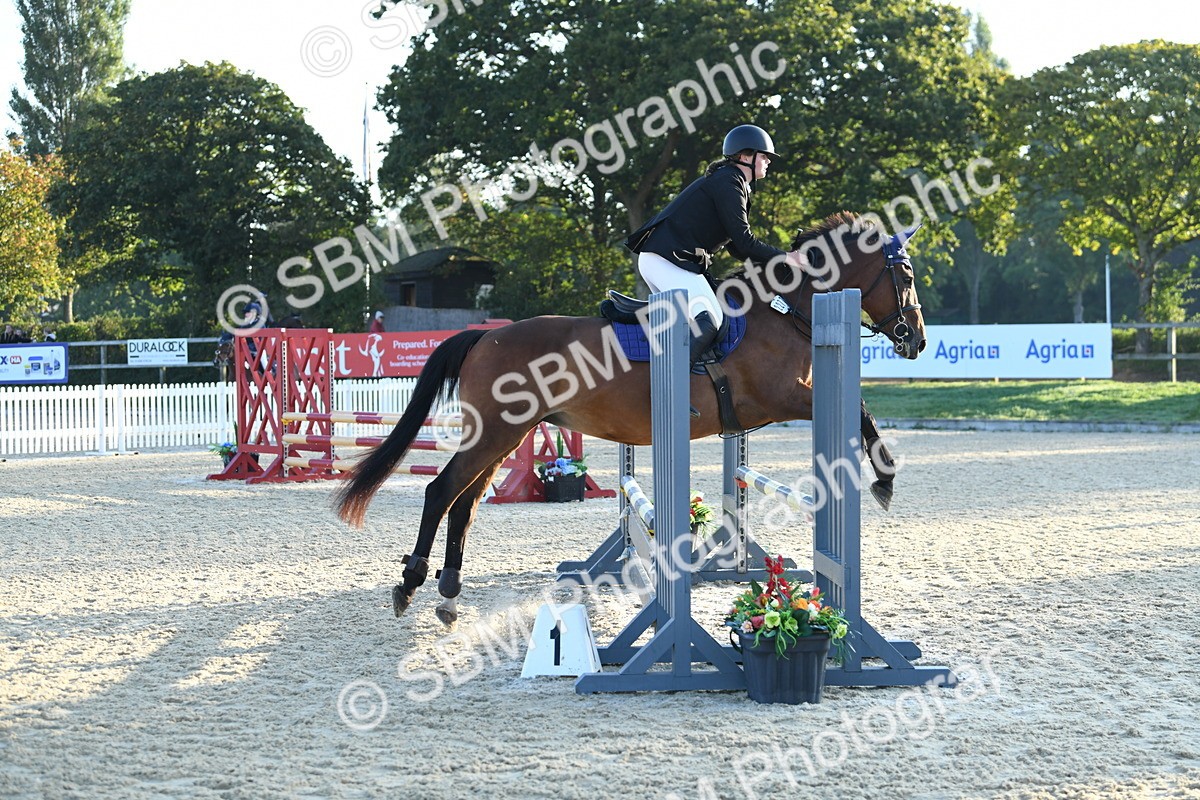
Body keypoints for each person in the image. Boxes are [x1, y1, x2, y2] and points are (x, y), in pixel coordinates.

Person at [624, 124, 807, 377]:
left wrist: (777, 263)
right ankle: (671, 385)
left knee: (689, 323)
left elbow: (736, 249)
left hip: (665, 259)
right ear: (745, 156)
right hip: (667, 260)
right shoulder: (729, 181)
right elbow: (744, 242)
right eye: (764, 156)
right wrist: (787, 257)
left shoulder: (731, 181)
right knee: (710, 318)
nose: (768, 162)